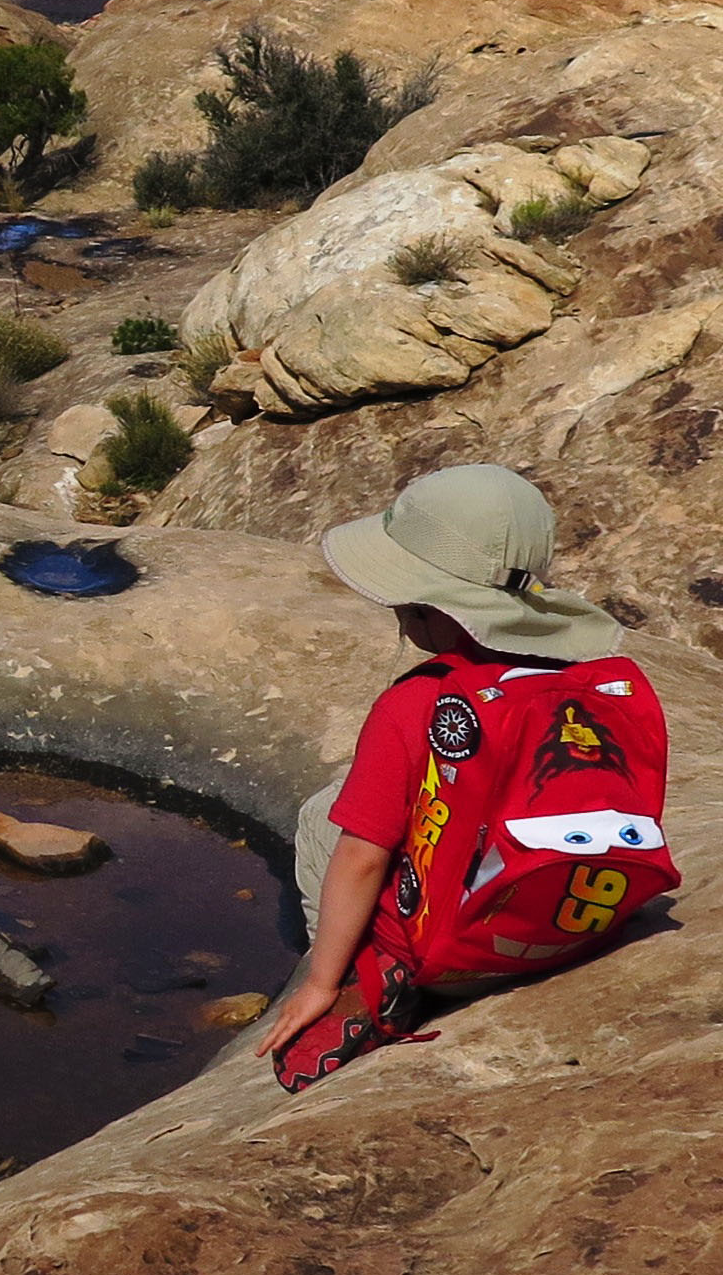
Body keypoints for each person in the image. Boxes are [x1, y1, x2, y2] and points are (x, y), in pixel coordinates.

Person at [255, 463, 678, 1091]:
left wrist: (319, 983)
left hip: (455, 956)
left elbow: (362, 858)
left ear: (430, 609)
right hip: (580, 925)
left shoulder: (419, 700)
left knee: (326, 819)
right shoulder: (598, 682)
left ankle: (363, 981)